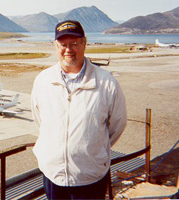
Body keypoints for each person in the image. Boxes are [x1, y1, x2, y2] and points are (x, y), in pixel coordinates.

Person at [31, 20, 127, 199]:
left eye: (74, 43)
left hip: (90, 178)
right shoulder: (43, 80)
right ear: (55, 46)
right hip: (53, 176)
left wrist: (90, 150)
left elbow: (117, 126)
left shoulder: (107, 83)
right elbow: (39, 120)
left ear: (84, 43)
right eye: (63, 44)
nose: (68, 49)